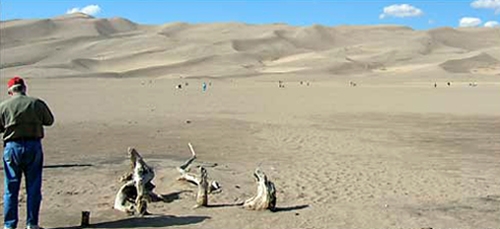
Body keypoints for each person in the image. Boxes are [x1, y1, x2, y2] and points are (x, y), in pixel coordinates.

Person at [0, 76, 54, 229]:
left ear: (10, 91)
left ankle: (9, 225)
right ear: (24, 88)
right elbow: (49, 120)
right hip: (33, 145)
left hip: (12, 146)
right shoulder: (36, 103)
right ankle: (32, 223)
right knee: (33, 187)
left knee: (11, 188)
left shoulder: (4, 106)